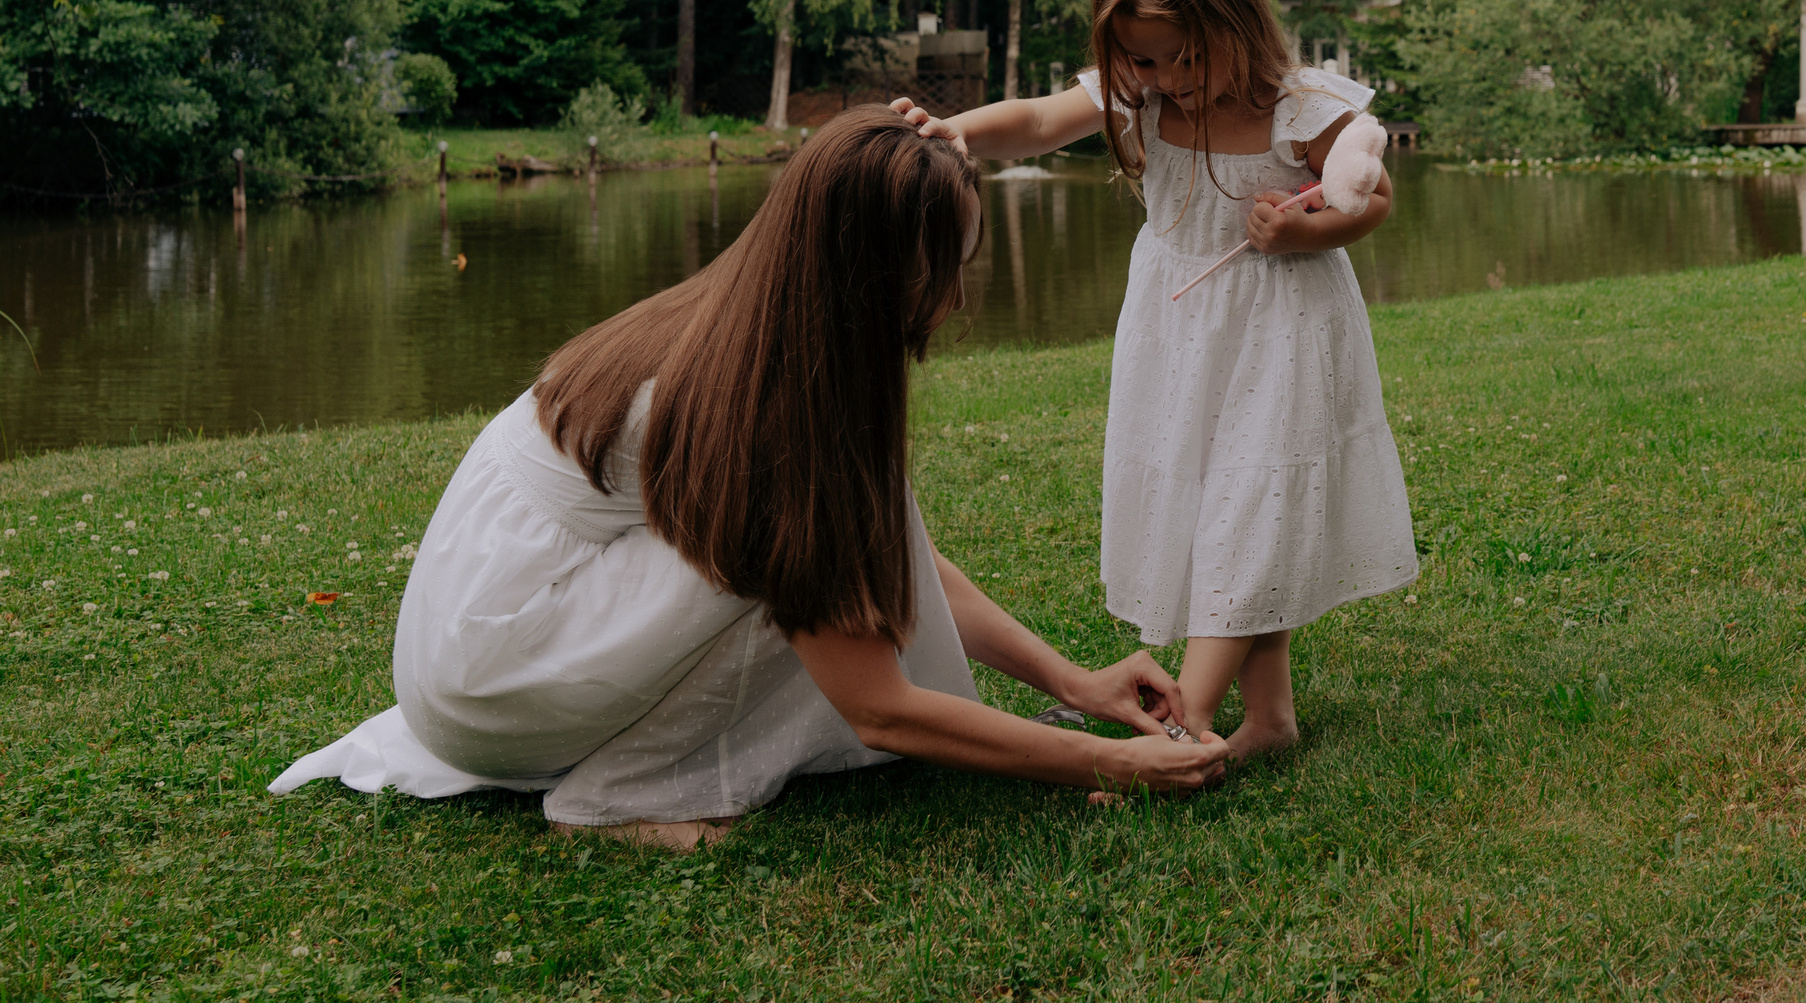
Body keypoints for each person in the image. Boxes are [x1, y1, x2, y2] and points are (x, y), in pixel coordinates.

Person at [269, 108, 1225, 850]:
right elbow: (876, 703)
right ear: (880, 273)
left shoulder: (763, 322)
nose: (959, 297)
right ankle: (612, 801)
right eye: (948, 266)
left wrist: (1075, 679)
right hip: (490, 677)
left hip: (472, 636)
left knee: (825, 529)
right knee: (793, 549)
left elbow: (892, 546)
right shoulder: (766, 416)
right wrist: (1108, 763)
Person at [893, 0, 1417, 758]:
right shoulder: (1135, 96)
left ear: (1236, 21)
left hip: (1278, 329)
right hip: (1180, 334)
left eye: (1185, 54)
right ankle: (1272, 718)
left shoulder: (1299, 107)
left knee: (1251, 505)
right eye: (1144, 56)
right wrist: (956, 133)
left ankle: (1188, 724)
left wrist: (1300, 229)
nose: (1167, 75)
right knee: (1224, 502)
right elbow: (1032, 121)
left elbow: (1373, 199)